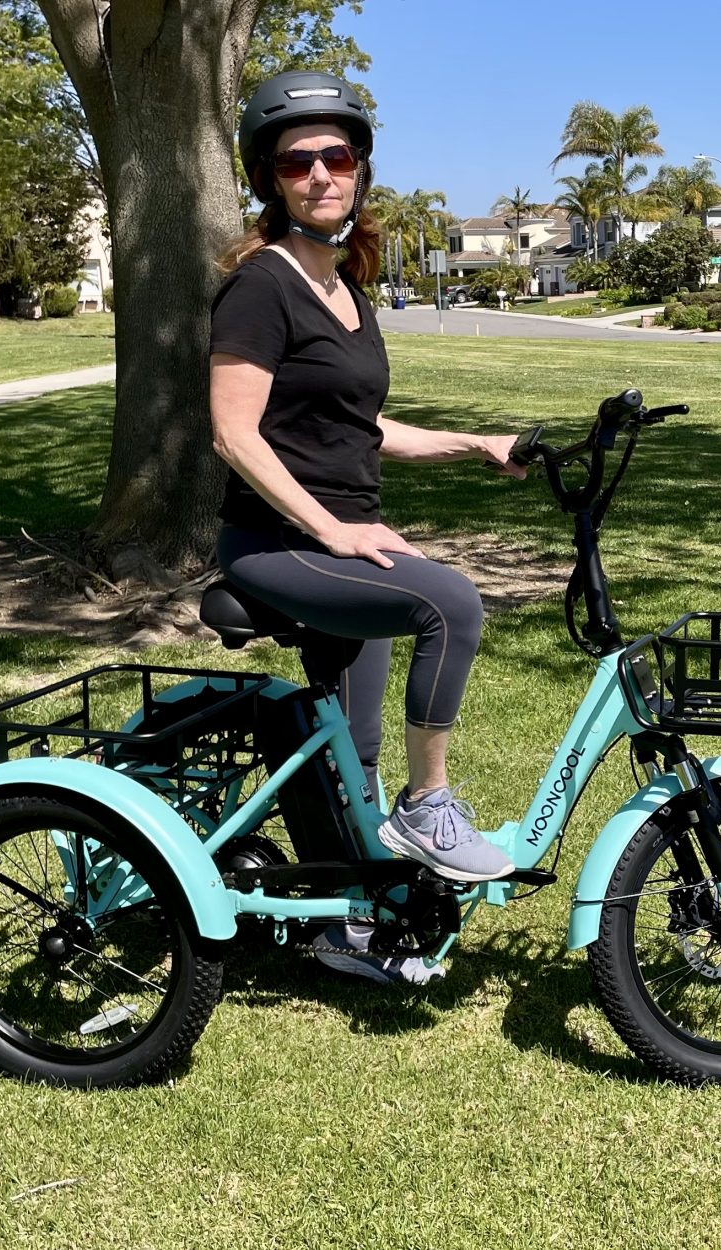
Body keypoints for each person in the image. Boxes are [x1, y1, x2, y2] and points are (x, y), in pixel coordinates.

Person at [210, 71, 521, 984]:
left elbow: (359, 427)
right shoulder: (259, 288)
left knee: (357, 743)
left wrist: (471, 441)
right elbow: (232, 431)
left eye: (334, 156)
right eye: (296, 161)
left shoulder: (346, 287)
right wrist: (333, 531)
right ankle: (431, 810)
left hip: (334, 537)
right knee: (450, 605)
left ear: (359, 170)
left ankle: (344, 925)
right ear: (271, 180)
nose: (318, 173)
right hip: (276, 546)